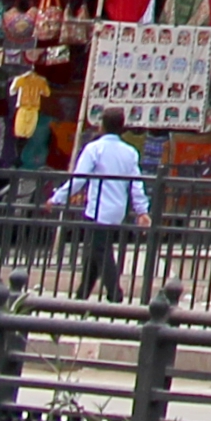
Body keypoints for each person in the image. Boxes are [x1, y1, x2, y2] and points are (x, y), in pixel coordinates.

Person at [57, 106, 146, 302]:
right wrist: (142, 210)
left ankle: (115, 293)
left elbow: (79, 179)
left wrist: (57, 197)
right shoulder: (130, 152)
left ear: (102, 126)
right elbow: (136, 183)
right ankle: (82, 294)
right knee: (96, 250)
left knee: (100, 250)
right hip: (117, 209)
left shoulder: (94, 149)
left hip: (97, 209)